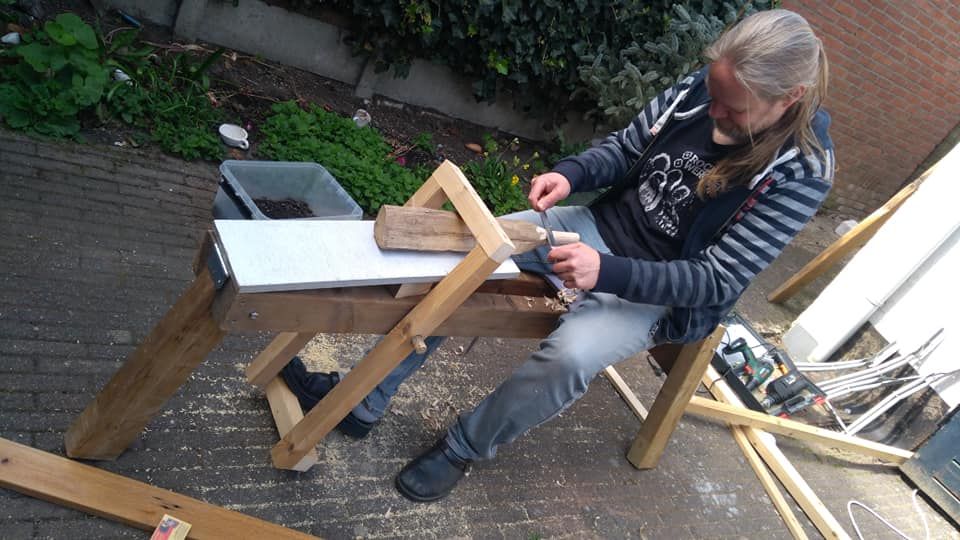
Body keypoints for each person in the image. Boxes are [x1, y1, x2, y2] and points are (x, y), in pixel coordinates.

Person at [281, 8, 835, 502]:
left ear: (788, 99)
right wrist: (570, 175)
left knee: (570, 358)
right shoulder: (699, 89)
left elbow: (715, 280)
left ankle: (462, 447)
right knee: (464, 254)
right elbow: (625, 149)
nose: (712, 111)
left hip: (657, 290)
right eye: (712, 94)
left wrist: (607, 272)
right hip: (591, 229)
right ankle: (361, 401)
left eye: (731, 109)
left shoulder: (803, 170)